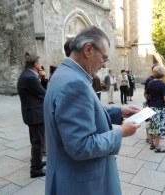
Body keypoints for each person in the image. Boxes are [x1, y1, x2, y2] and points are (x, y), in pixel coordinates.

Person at [44, 26, 141, 195]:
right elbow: (81, 146)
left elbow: (85, 110)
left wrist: (118, 112)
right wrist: (120, 133)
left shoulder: (66, 73)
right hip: (83, 184)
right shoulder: (74, 83)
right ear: (88, 49)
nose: (104, 65)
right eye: (104, 58)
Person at [17, 55, 46, 178]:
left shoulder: (27, 75)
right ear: (35, 65)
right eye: (39, 62)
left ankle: (36, 161)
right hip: (35, 114)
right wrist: (44, 78)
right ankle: (35, 169)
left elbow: (39, 94)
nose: (41, 64)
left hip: (32, 113)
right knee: (38, 142)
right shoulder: (30, 78)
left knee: (35, 140)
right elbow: (44, 93)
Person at [146, 66, 165, 153]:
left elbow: (147, 95)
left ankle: (152, 144)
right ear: (163, 74)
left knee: (152, 125)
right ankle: (158, 146)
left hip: (151, 107)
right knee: (158, 127)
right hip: (159, 108)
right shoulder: (162, 84)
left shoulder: (150, 83)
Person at [144, 64, 158, 143]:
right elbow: (145, 94)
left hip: (155, 104)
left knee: (154, 121)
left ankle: (153, 136)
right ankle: (148, 137)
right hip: (150, 104)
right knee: (149, 121)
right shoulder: (149, 80)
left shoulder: (158, 79)